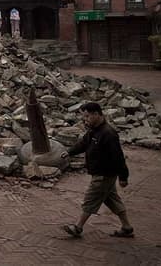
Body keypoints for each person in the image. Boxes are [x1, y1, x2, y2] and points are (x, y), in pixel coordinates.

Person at [61, 102, 134, 238]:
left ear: (96, 114)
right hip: (102, 174)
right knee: (112, 199)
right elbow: (83, 143)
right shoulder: (94, 130)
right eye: (84, 117)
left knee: (91, 199)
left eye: (87, 116)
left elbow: (118, 158)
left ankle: (78, 227)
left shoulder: (108, 134)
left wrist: (123, 177)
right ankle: (127, 227)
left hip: (104, 174)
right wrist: (69, 152)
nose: (85, 119)